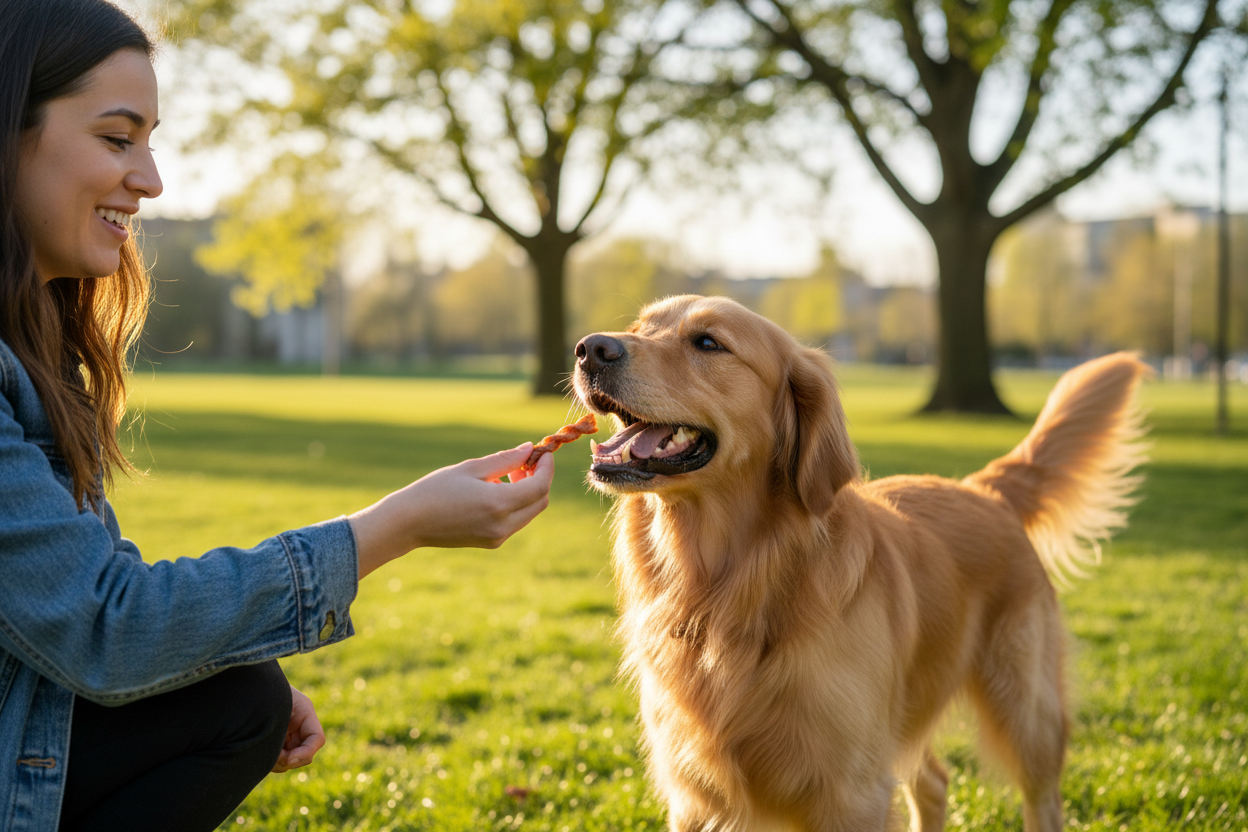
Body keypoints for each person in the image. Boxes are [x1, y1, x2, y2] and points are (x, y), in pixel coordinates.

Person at [0, 1, 556, 830]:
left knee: (239, 700)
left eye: (151, 143)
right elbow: (104, 625)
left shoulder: (40, 349)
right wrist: (395, 525)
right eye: (118, 139)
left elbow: (89, 584)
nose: (150, 180)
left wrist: (201, 678)